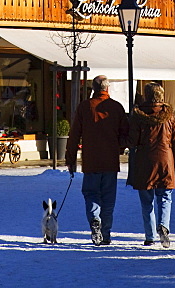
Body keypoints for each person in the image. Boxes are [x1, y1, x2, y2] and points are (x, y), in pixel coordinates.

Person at [65, 74, 129, 246]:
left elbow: (74, 135)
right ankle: (106, 234)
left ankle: (95, 219)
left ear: (93, 88)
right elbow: (125, 134)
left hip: (91, 161)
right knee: (108, 198)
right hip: (110, 161)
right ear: (107, 88)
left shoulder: (85, 107)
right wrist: (118, 147)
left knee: (91, 193)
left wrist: (70, 158)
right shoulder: (116, 108)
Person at [128, 84, 175, 248]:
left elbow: (133, 140)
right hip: (165, 160)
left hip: (144, 161)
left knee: (146, 201)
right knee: (165, 197)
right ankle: (164, 226)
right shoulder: (169, 115)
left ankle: (150, 236)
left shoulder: (138, 115)